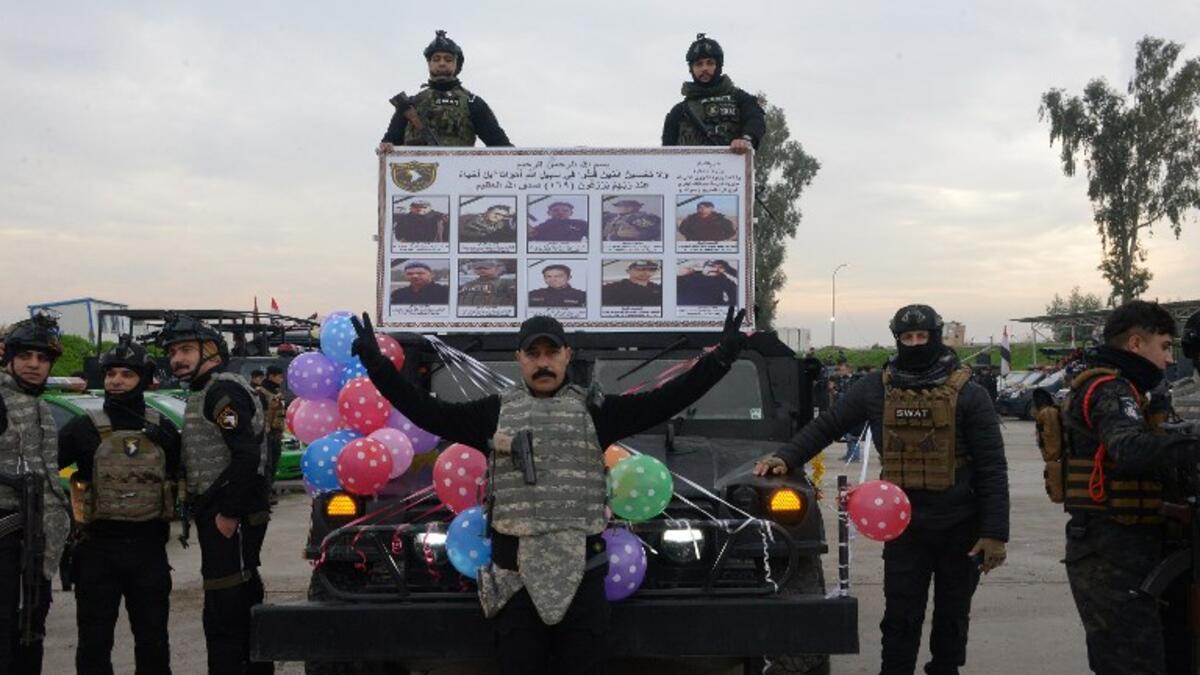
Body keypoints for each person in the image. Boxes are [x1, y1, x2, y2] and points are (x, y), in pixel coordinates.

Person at [348, 308, 747, 675]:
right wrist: (377, 366)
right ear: (520, 359)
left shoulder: (595, 413)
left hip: (583, 581)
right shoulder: (493, 413)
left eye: (551, 352)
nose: (543, 362)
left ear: (567, 355)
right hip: (514, 581)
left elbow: (668, 399)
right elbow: (426, 411)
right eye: (533, 353)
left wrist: (721, 359)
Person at [755, 304, 1009, 675]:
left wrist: (995, 533)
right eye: (907, 338)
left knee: (953, 613)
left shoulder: (968, 392)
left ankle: (945, 669)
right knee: (900, 614)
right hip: (905, 527)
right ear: (898, 340)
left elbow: (992, 466)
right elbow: (828, 425)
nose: (915, 344)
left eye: (922, 337)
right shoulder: (876, 387)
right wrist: (786, 457)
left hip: (961, 524)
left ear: (935, 338)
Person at [1052, 301, 1198, 675]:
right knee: (1132, 663)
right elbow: (1129, 449)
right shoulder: (1109, 389)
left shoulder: (1132, 388)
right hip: (1111, 554)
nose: (1168, 359)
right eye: (1164, 346)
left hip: (1137, 548)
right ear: (1136, 343)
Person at [57, 337, 180, 675]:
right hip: (97, 551)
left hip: (149, 551)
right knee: (94, 643)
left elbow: (184, 476)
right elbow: (44, 471)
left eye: (127, 374)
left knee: (153, 641)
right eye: (112, 373)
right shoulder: (82, 428)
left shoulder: (163, 428)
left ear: (143, 378)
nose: (116, 381)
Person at [157, 313, 272, 675]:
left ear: (212, 351)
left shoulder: (222, 391)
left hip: (229, 517)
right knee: (239, 601)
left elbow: (246, 454)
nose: (178, 358)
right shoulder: (206, 390)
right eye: (174, 351)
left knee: (225, 611)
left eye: (187, 349)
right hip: (224, 513)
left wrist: (229, 513)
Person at [0, 315, 71, 674]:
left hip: (37, 542)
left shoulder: (38, 404)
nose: (33, 364)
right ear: (8, 358)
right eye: (26, 356)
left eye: (42, 359)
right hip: (6, 539)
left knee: (30, 635)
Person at [381, 30, 511, 148]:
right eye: (436, 59)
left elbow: (501, 147)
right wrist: (386, 147)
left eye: (448, 59)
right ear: (429, 63)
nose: (442, 63)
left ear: (456, 64)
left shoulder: (472, 103)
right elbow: (389, 144)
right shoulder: (411, 104)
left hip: (459, 172)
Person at [662, 33, 766, 153]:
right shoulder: (679, 111)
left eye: (710, 63)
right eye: (699, 64)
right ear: (692, 69)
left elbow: (755, 120)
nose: (704, 68)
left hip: (731, 170)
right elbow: (667, 154)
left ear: (718, 65)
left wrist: (745, 140)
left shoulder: (740, 99)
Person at [256, 365, 286, 494]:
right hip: (266, 434)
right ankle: (265, 495)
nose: (282, 379)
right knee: (266, 465)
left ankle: (268, 491)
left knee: (273, 464)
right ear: (271, 376)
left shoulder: (276, 391)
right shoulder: (261, 392)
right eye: (279, 376)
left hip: (276, 433)